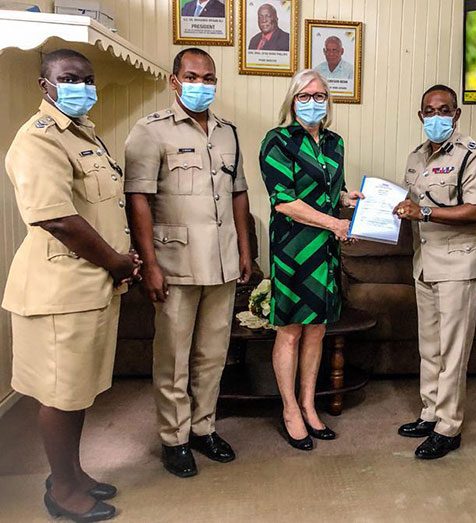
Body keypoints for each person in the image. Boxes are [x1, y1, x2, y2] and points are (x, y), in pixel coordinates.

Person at [2, 49, 140, 521]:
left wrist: (120, 262)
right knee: (61, 395)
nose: (80, 86)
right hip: (60, 290)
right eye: (68, 78)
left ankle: (73, 473)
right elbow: (58, 219)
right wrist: (118, 263)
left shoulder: (85, 136)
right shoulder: (37, 140)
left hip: (90, 285)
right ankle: (62, 490)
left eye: (87, 78)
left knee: (79, 391)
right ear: (46, 85)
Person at [124, 48, 251, 478]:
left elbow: (238, 194)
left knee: (212, 354)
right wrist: (150, 263)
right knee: (173, 357)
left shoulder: (228, 132)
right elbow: (136, 198)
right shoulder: (150, 131)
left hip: (222, 262)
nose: (202, 84)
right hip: (175, 263)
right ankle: (174, 438)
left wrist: (246, 251)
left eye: (209, 77)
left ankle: (203, 428)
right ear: (174, 80)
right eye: (193, 76)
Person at [259, 69, 363, 451]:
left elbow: (329, 192)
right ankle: (289, 409)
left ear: (328, 102)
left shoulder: (334, 142)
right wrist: (334, 221)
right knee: (290, 329)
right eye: (304, 95)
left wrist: (347, 201)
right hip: (293, 248)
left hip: (326, 249)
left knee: (317, 329)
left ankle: (309, 404)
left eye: (320, 95)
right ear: (292, 100)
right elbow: (284, 200)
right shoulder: (278, 140)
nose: (313, 101)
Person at [394, 84, 476, 460]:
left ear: (456, 114)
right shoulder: (417, 156)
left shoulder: (474, 156)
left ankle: (448, 426)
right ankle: (430, 412)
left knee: (453, 350)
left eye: (444, 110)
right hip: (426, 261)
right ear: (421, 116)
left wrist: (421, 212)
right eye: (429, 111)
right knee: (431, 346)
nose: (436, 116)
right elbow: (411, 204)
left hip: (459, 263)